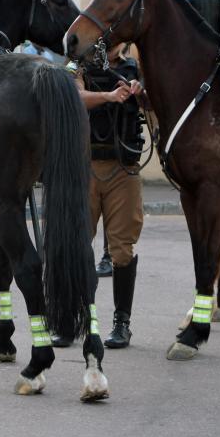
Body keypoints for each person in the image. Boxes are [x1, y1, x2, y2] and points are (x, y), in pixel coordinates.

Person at [68, 44, 146, 348]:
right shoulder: (79, 68)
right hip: (84, 169)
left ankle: (121, 324)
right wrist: (109, 96)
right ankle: (72, 320)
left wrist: (138, 91)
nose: (107, 43)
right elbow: (75, 97)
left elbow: (153, 105)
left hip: (122, 171)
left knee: (122, 250)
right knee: (76, 245)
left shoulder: (132, 68)